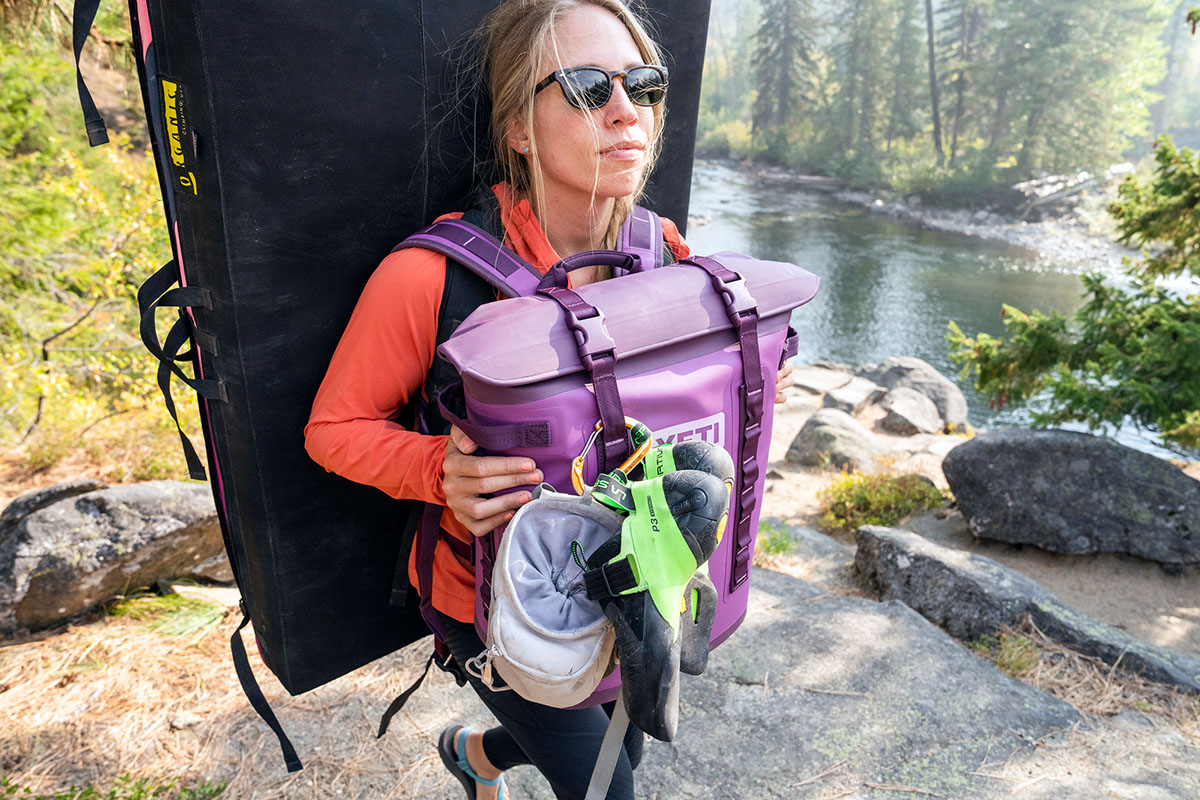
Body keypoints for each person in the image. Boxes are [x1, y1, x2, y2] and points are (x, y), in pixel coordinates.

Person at [304, 1, 794, 797]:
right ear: (520, 128)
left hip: (634, 569)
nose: (625, 110)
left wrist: (755, 385)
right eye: (584, 86)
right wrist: (439, 470)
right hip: (496, 600)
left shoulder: (662, 251)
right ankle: (491, 743)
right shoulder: (433, 277)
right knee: (612, 783)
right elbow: (333, 428)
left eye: (644, 84)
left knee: (619, 750)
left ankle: (475, 756)